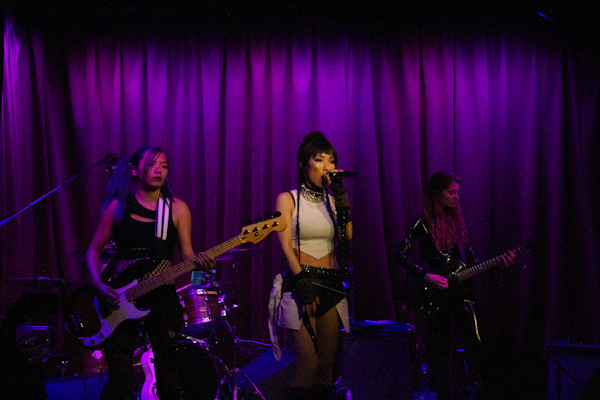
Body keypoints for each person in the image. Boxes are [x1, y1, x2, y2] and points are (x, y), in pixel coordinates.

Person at [86, 145, 215, 400]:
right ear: (134, 170)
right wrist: (100, 286)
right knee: (119, 380)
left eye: (164, 165)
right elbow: (93, 251)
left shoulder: (177, 209)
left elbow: (187, 254)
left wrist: (199, 260)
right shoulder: (117, 207)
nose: (159, 170)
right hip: (122, 297)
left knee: (169, 373)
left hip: (162, 296)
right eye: (152, 164)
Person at [396, 172, 516, 400]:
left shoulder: (458, 226)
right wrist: (425, 276)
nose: (456, 197)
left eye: (458, 192)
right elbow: (400, 254)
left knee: (476, 345)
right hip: (436, 294)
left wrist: (500, 264)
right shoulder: (421, 224)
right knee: (441, 354)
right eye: (451, 192)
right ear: (437, 194)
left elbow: (472, 264)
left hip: (462, 294)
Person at [268, 132, 352, 400]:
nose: (327, 167)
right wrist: (302, 282)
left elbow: (347, 236)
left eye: (331, 160)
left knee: (326, 369)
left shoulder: (331, 202)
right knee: (308, 366)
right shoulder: (288, 199)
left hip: (331, 284)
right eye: (319, 159)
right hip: (301, 285)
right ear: (304, 164)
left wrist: (341, 196)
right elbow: (284, 245)